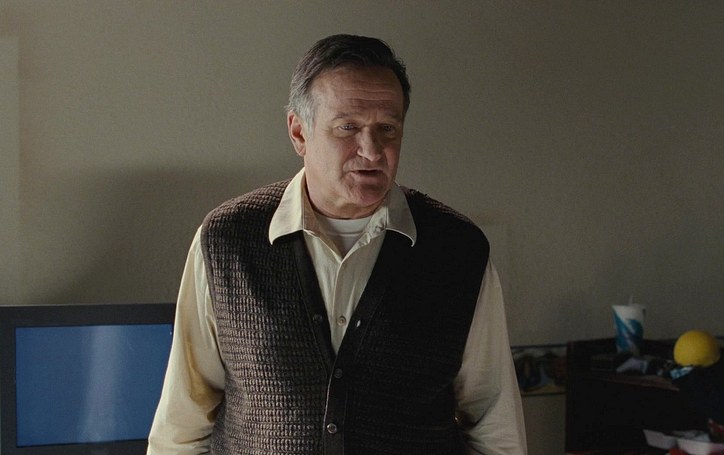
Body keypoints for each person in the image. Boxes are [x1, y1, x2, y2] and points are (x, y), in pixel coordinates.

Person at [147, 34, 527, 455]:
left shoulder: (457, 250)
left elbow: (495, 426)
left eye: (387, 129)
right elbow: (181, 428)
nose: (372, 150)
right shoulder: (228, 241)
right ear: (299, 132)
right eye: (348, 127)